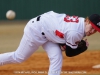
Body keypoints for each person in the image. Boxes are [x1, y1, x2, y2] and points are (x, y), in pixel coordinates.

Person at [0, 11, 100, 75]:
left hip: (48, 32)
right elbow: (69, 53)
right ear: (87, 21)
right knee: (18, 57)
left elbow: (63, 33)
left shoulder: (81, 22)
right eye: (92, 27)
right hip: (35, 30)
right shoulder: (76, 32)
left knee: (57, 57)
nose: (92, 31)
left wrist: (63, 43)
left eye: (95, 30)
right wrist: (84, 48)